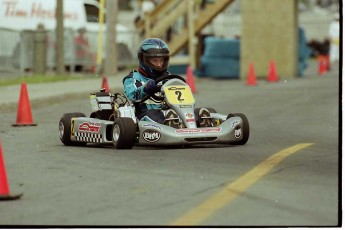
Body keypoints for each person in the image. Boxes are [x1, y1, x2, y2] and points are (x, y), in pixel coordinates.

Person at [122, 38, 213, 128]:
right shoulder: (133, 78)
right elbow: (132, 95)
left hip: (170, 112)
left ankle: (201, 120)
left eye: (161, 60)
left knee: (197, 113)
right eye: (155, 60)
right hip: (144, 114)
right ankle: (169, 123)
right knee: (156, 115)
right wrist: (146, 88)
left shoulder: (168, 78)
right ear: (143, 59)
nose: (159, 65)